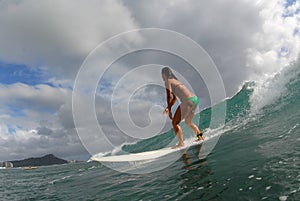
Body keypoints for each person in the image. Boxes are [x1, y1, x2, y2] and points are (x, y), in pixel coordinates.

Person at [161, 67, 204, 148]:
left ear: (164, 74)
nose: (162, 77)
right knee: (188, 122)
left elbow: (169, 96)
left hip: (187, 101)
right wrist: (168, 108)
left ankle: (181, 143)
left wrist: (169, 110)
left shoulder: (168, 81)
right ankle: (200, 136)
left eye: (162, 75)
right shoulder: (176, 81)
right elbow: (174, 98)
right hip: (194, 99)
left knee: (175, 123)